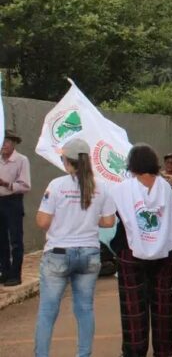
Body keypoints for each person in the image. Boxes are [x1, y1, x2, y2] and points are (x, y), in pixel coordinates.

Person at [34, 139, 115, 357]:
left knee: (48, 311)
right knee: (85, 309)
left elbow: (42, 222)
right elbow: (109, 222)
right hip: (89, 253)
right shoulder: (101, 187)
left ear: (66, 161)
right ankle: (84, 354)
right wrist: (88, 221)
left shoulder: (56, 185)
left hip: (58, 254)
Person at [110, 144, 172, 357]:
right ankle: (164, 349)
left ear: (132, 165)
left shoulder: (122, 189)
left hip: (130, 252)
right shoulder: (165, 187)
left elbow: (111, 215)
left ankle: (134, 349)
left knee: (133, 304)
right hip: (164, 252)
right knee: (163, 303)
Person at [0, 129, 31, 286]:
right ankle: (4, 272)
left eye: (7, 141)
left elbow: (25, 186)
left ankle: (15, 274)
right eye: (2, 141)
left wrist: (6, 183)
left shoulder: (21, 160)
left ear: (13, 144)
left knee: (16, 239)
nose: (3, 145)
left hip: (13, 201)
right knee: (1, 239)